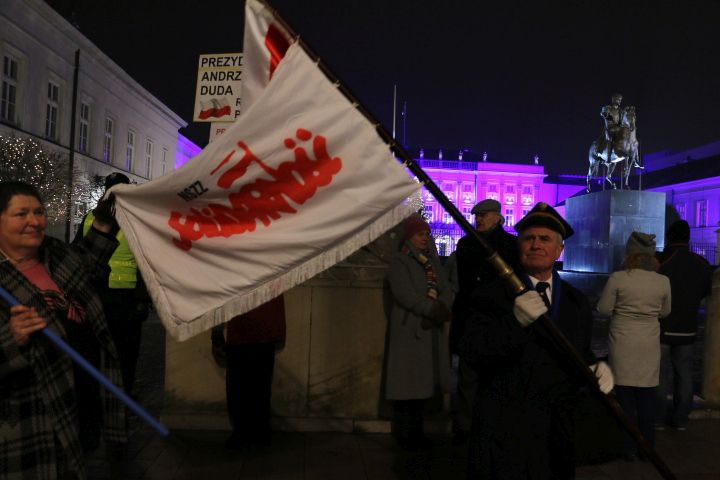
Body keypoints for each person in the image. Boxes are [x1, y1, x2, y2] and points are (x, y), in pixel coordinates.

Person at [460, 202, 614, 479]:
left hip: (555, 433)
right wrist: (514, 323)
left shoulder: (576, 301)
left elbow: (580, 352)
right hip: (506, 428)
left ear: (559, 250)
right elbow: (473, 352)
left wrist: (594, 368)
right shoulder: (492, 294)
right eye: (529, 238)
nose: (536, 245)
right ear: (519, 246)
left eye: (545, 239)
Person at [0, 180, 126, 479]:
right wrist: (10, 337)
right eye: (22, 214)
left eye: (39, 212)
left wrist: (105, 223)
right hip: (27, 420)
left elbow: (89, 263)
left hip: (78, 406)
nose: (35, 221)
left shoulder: (55, 254)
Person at [449, 198, 520, 445]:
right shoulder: (467, 244)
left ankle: (488, 426)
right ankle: (466, 428)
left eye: (484, 215)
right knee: (468, 378)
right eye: (477, 215)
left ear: (498, 217)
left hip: (496, 319)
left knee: (492, 379)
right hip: (471, 317)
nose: (479, 219)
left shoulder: (510, 245)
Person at [74, 172, 150, 396]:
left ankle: (119, 394)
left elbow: (146, 261)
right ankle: (113, 394)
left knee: (122, 351)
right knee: (111, 351)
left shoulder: (131, 220)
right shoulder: (94, 217)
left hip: (122, 297)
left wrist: (142, 299)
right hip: (105, 296)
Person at [597, 231, 671, 461]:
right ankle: (647, 445)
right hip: (649, 343)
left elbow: (603, 309)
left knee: (625, 398)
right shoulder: (662, 281)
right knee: (647, 397)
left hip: (623, 342)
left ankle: (627, 446)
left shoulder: (618, 278)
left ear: (629, 253)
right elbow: (665, 312)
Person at [384, 215, 453, 450]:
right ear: (410, 237)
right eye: (420, 234)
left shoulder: (432, 261)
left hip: (429, 330)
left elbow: (445, 287)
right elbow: (404, 294)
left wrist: (443, 304)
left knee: (423, 385)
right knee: (407, 384)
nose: (425, 238)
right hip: (410, 329)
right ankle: (405, 434)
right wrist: (432, 308)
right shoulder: (400, 261)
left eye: (426, 234)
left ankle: (416, 432)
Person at [656, 220, 713, 431]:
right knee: (685, 373)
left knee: (661, 374)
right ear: (688, 238)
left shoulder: (661, 261)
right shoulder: (701, 263)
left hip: (663, 326)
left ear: (669, 237)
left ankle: (659, 417)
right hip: (688, 327)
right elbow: (707, 292)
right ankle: (681, 419)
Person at [224, 295, 286, 449]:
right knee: (260, 386)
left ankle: (244, 432)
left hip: (242, 326)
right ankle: (259, 433)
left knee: (239, 387)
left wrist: (217, 333)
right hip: (262, 327)